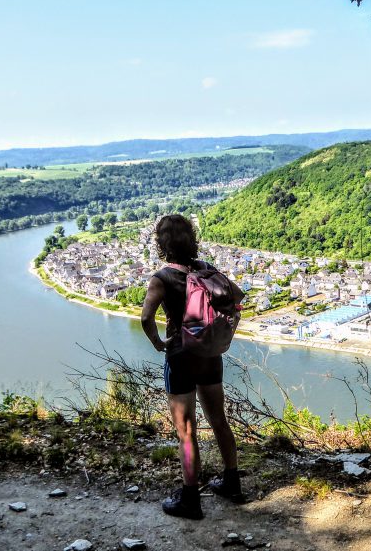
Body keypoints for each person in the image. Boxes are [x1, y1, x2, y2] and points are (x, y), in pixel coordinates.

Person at [140, 214, 245, 520]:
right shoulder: (206, 269)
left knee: (187, 431)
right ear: (191, 239)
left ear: (162, 243)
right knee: (219, 420)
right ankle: (232, 482)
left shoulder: (162, 278)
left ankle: (190, 498)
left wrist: (158, 342)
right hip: (210, 355)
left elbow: (147, 317)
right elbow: (235, 297)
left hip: (181, 357)